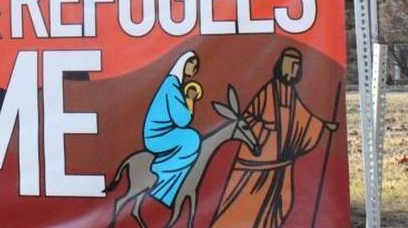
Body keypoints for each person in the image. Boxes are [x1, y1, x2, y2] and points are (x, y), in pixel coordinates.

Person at [212, 48, 338, 228]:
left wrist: (323, 125)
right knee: (247, 205)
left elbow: (303, 117)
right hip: (258, 164)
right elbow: (247, 119)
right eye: (289, 66)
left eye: (296, 67)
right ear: (281, 67)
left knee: (281, 205)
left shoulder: (291, 92)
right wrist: (265, 128)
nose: (292, 70)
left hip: (281, 164)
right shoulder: (269, 91)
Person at [142, 51, 201, 207]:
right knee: (192, 138)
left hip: (164, 133)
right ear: (185, 63)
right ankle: (161, 180)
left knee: (191, 138)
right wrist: (190, 99)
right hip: (157, 137)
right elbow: (183, 120)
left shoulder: (173, 84)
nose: (194, 70)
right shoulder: (171, 86)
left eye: (196, 67)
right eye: (193, 65)